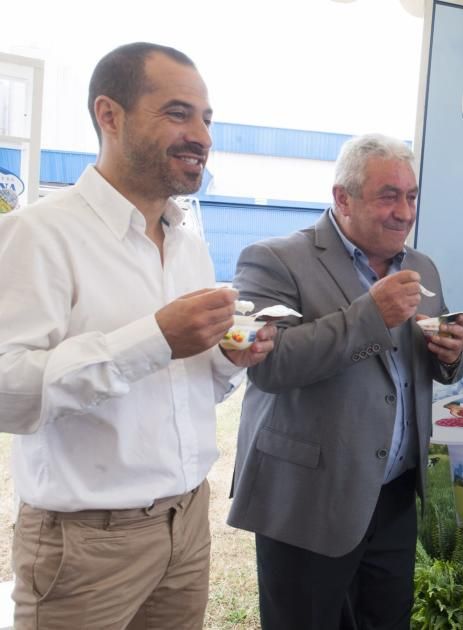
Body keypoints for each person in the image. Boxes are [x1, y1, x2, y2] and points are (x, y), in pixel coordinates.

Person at [0, 42, 275, 629]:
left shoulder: (190, 248)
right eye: (178, 113)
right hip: (86, 547)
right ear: (110, 115)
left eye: (207, 118)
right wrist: (154, 339)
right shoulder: (37, 235)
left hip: (189, 525)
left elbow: (187, 389)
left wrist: (230, 360)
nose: (201, 134)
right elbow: (9, 394)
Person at [227, 133, 463, 629]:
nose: (404, 212)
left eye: (411, 196)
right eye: (388, 196)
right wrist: (370, 316)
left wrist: (452, 356)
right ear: (343, 198)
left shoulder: (422, 267)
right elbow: (272, 367)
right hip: (308, 496)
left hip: (394, 495)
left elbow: (428, 365)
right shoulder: (274, 259)